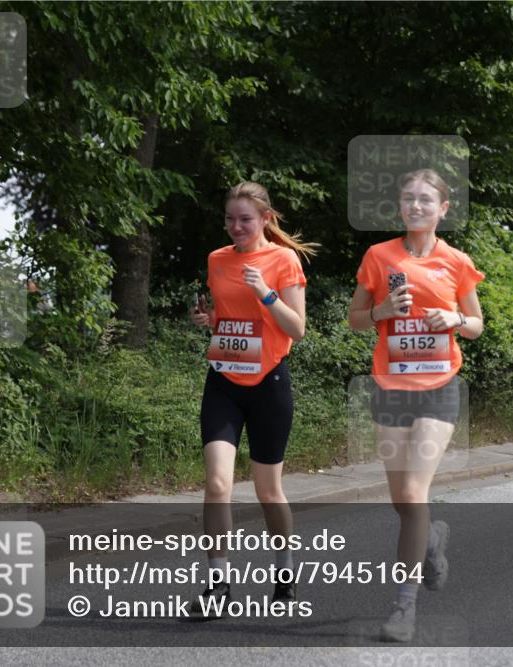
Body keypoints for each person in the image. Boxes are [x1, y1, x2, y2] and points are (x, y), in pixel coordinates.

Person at [348, 168, 484, 642]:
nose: (417, 206)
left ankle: (403, 608)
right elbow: (355, 319)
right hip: (390, 386)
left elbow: (477, 325)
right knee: (402, 503)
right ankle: (433, 538)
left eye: (427, 200)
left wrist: (456, 317)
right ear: (400, 206)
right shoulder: (378, 256)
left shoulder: (456, 261)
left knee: (412, 493)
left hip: (439, 387)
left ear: (443, 209)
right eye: (408, 199)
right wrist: (381, 313)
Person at [187, 181, 318, 618]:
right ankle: (218, 585)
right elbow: (226, 320)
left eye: (245, 219)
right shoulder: (216, 260)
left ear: (265, 219)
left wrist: (265, 292)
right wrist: (210, 320)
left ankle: (284, 573)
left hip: (269, 384)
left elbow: (296, 329)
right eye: (229, 219)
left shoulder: (284, 260)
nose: (235, 227)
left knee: (268, 490)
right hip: (223, 379)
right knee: (218, 485)